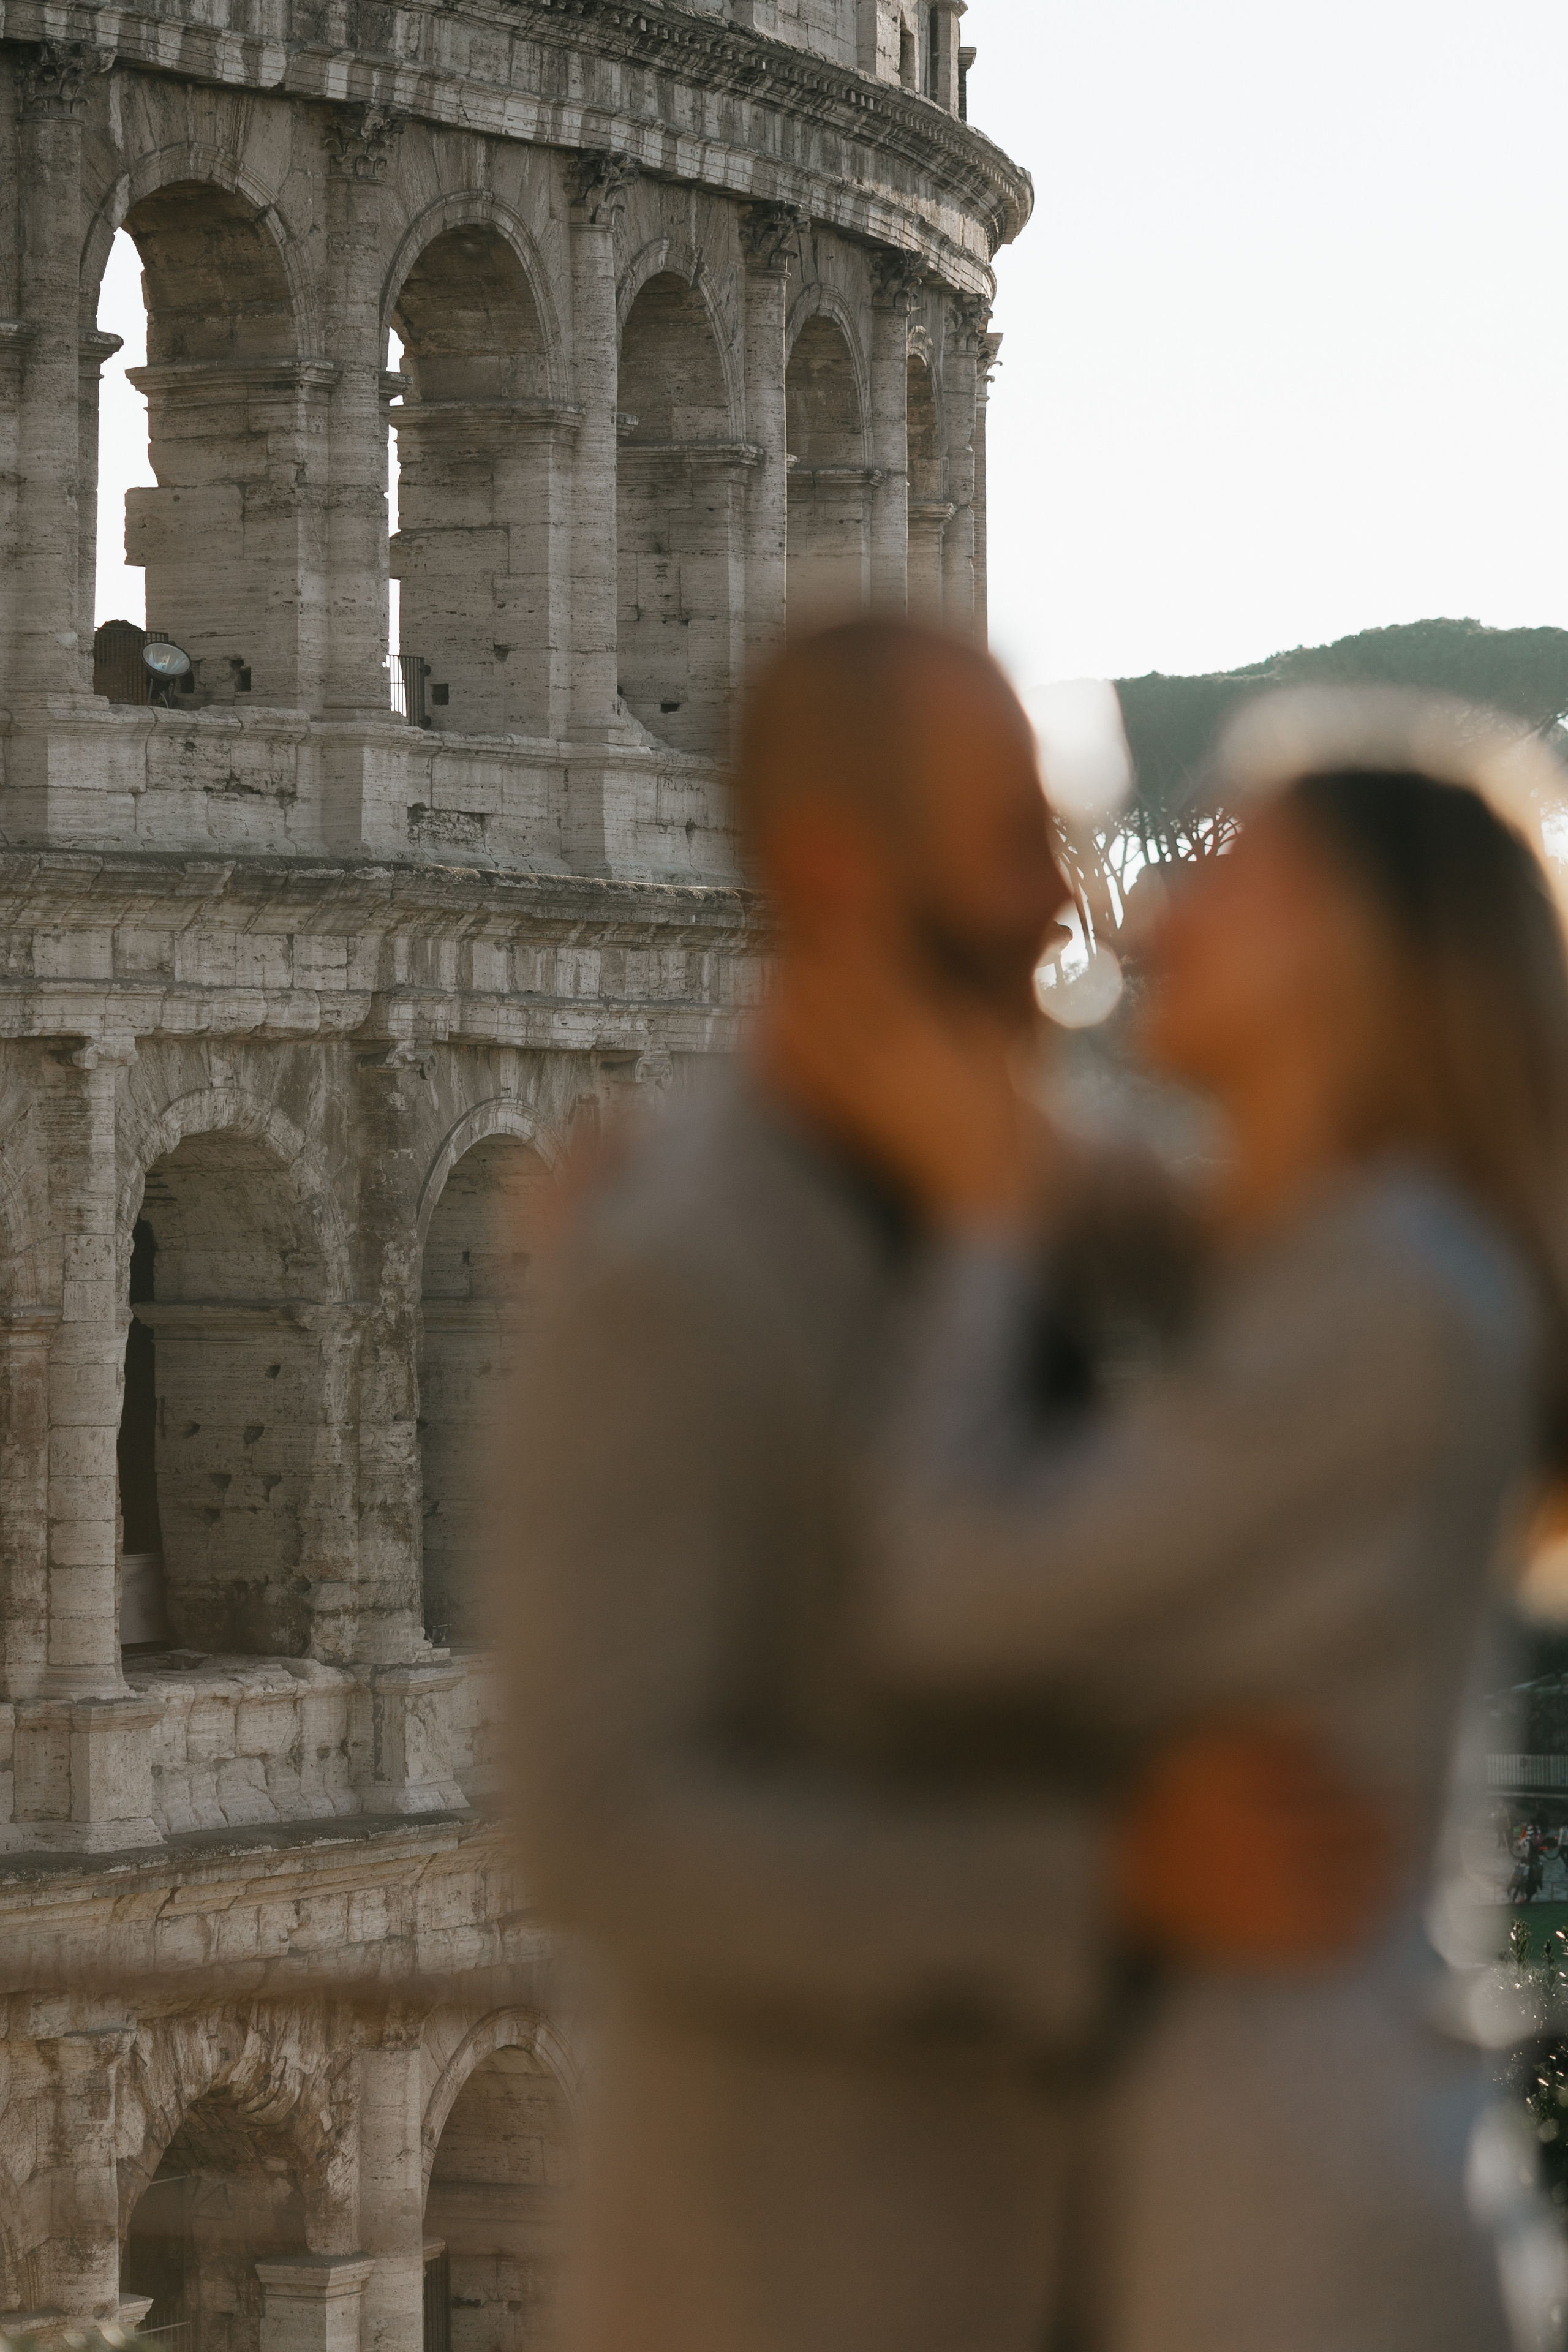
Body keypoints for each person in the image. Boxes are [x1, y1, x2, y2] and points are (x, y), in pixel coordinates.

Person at [508, 627, 1393, 2352]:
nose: (1077, 902)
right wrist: (1108, 1886)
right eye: (1017, 842)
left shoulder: (1010, 1175)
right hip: (806, 2274)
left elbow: (1318, 1265)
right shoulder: (671, 1276)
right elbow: (603, 1824)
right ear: (845, 868)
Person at [785, 688, 1568, 2351]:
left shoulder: (1386, 1293)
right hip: (1277, 2167)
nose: (1150, 908)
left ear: (1354, 962)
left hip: (1283, 2206)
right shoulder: (1360, 1263)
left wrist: (984, 1222)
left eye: (1236, 878)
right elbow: (1161, 1217)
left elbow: (949, 1589)